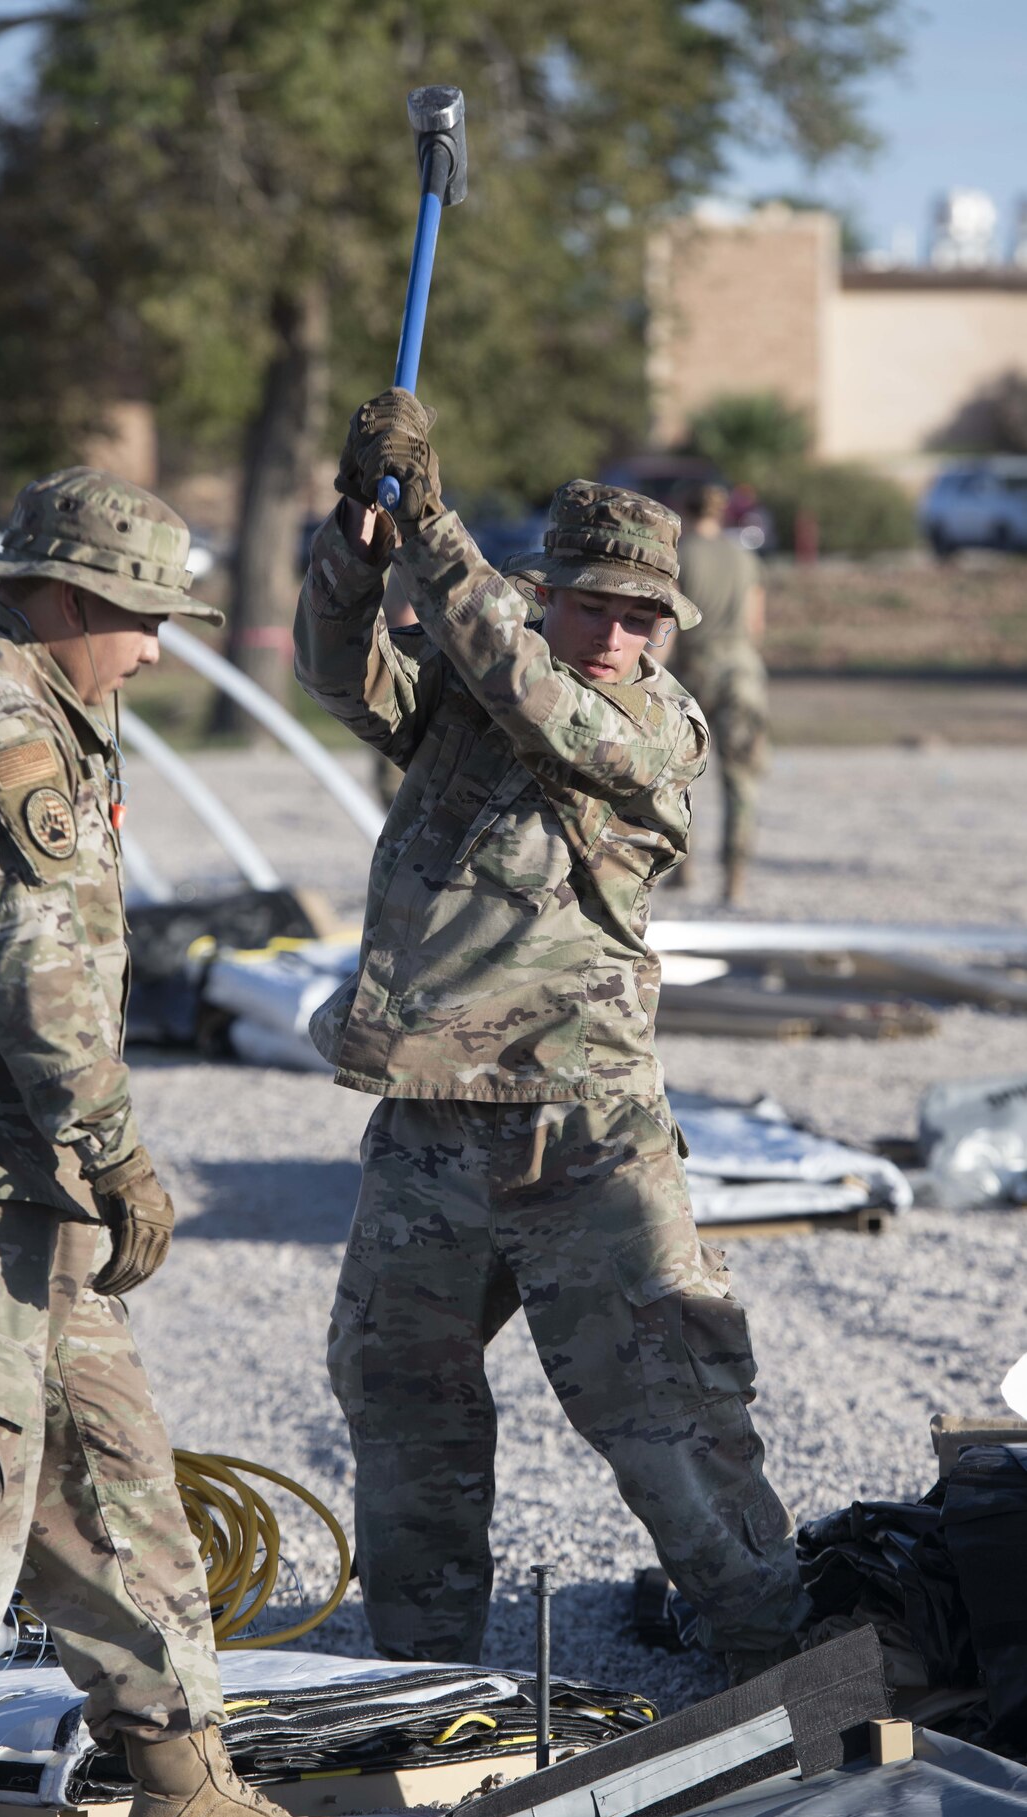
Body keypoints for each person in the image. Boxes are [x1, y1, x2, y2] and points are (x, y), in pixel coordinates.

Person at [0, 467, 372, 1817]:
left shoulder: (49, 705)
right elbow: (37, 977)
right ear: (60, 594)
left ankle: (185, 1788)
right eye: (136, 615)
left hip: (10, 1178)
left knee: (111, 1483)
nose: (156, 646)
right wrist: (118, 1154)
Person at [294, 391, 810, 1683]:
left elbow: (540, 705)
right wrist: (353, 562)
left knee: (663, 1412)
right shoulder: (478, 685)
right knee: (398, 1392)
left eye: (644, 618)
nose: (621, 637)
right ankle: (418, 1677)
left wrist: (433, 529)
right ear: (550, 598)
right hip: (433, 1112)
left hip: (576, 1124)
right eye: (596, 609)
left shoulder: (653, 727)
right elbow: (340, 678)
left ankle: (786, 1668)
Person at [669, 483, 769, 906]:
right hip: (744, 671)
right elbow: (755, 624)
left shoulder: (677, 555)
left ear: (683, 510)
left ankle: (682, 867)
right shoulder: (745, 556)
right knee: (741, 778)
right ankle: (736, 879)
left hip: (695, 670)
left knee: (677, 776)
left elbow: (667, 626)